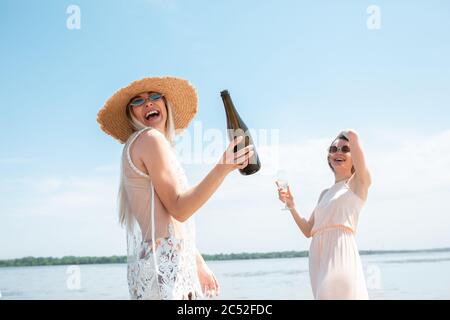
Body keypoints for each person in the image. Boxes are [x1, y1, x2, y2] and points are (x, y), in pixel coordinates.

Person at [97, 76, 254, 299]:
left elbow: (170, 220)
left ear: (165, 105)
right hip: (166, 265)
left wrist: (196, 261)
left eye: (154, 97)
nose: (148, 103)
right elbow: (179, 209)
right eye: (138, 101)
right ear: (131, 113)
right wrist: (223, 166)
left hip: (155, 262)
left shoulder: (140, 145)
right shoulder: (150, 139)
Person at [276, 130, 371, 299]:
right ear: (328, 158)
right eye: (333, 149)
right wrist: (291, 206)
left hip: (340, 252)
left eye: (344, 149)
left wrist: (345, 134)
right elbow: (308, 230)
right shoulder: (324, 193)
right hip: (318, 256)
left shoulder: (358, 183)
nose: (338, 152)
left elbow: (354, 136)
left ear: (353, 156)